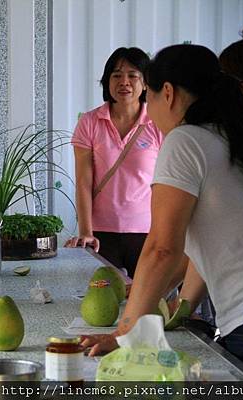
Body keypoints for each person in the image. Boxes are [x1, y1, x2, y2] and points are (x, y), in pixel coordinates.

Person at [82, 44, 243, 375]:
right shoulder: (230, 137)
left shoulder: (185, 141)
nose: (147, 110)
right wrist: (150, 297)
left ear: (167, 93)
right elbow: (183, 254)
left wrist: (125, 332)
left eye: (147, 97)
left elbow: (162, 248)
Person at [65, 47, 164, 278]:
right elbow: (83, 181)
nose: (124, 82)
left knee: (146, 303)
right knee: (103, 301)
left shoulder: (158, 122)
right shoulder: (90, 122)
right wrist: (86, 231)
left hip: (147, 231)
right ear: (107, 81)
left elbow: (165, 182)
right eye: (116, 75)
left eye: (133, 75)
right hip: (101, 234)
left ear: (146, 83)